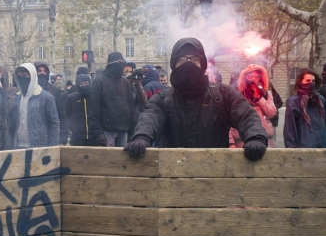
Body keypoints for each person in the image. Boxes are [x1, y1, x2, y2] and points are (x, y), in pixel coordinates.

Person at [124, 38, 267, 160]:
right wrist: (142, 137)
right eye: (182, 59)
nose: (188, 63)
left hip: (214, 172)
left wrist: (255, 137)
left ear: (202, 64)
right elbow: (150, 116)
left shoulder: (223, 94)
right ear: (174, 64)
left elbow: (246, 115)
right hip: (173, 173)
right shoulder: (163, 98)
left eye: (194, 59)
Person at [88, 52, 138, 147]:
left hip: (124, 130)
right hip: (106, 131)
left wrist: (132, 132)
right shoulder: (99, 82)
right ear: (111, 65)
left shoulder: (126, 83)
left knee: (122, 161)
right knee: (108, 161)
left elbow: (131, 109)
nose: (121, 66)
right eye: (118, 63)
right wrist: (98, 133)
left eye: (122, 63)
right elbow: (93, 110)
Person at [283, 69, 326, 148]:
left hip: (323, 147)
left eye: (313, 81)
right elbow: (290, 129)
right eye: (308, 80)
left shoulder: (321, 100)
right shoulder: (293, 102)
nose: (311, 83)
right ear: (301, 82)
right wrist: (292, 151)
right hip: (304, 150)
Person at [10, 64, 60, 148]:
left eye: (25, 75)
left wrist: (53, 148)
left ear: (32, 76)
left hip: (38, 147)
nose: (22, 78)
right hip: (18, 146)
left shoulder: (46, 97)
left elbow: (54, 124)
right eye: (20, 75)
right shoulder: (17, 98)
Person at [229, 64, 278, 148]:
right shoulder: (237, 94)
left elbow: (272, 113)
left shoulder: (266, 93)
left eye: (256, 76)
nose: (253, 79)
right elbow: (230, 118)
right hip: (242, 140)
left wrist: (259, 98)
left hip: (265, 139)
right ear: (244, 78)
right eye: (250, 76)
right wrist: (231, 142)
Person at [34, 61, 68, 145]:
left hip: (51, 137)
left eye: (44, 71)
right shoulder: (29, 90)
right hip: (33, 138)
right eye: (39, 71)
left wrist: (62, 140)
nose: (42, 73)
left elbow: (62, 116)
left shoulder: (54, 90)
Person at [65, 74, 96, 146]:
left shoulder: (94, 96)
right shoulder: (71, 98)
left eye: (86, 83)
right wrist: (71, 127)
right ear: (78, 84)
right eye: (82, 84)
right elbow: (66, 114)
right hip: (77, 136)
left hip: (93, 136)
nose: (84, 85)